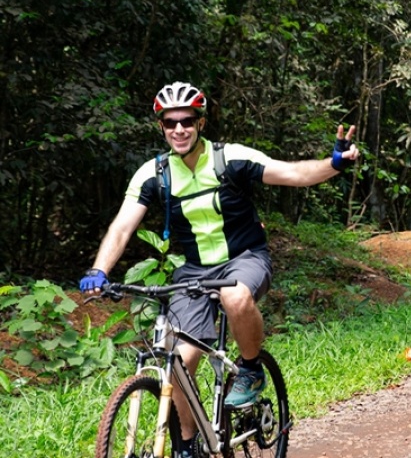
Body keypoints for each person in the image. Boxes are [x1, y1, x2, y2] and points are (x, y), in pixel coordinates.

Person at [79, 81, 359, 458]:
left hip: (245, 257)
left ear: (201, 122)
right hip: (194, 271)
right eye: (170, 122)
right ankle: (188, 445)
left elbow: (292, 174)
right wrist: (99, 269)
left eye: (187, 120)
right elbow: (123, 226)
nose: (179, 129)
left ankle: (250, 369)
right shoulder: (154, 174)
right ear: (160, 127)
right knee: (177, 359)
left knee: (234, 295)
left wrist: (334, 164)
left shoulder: (231, 158)